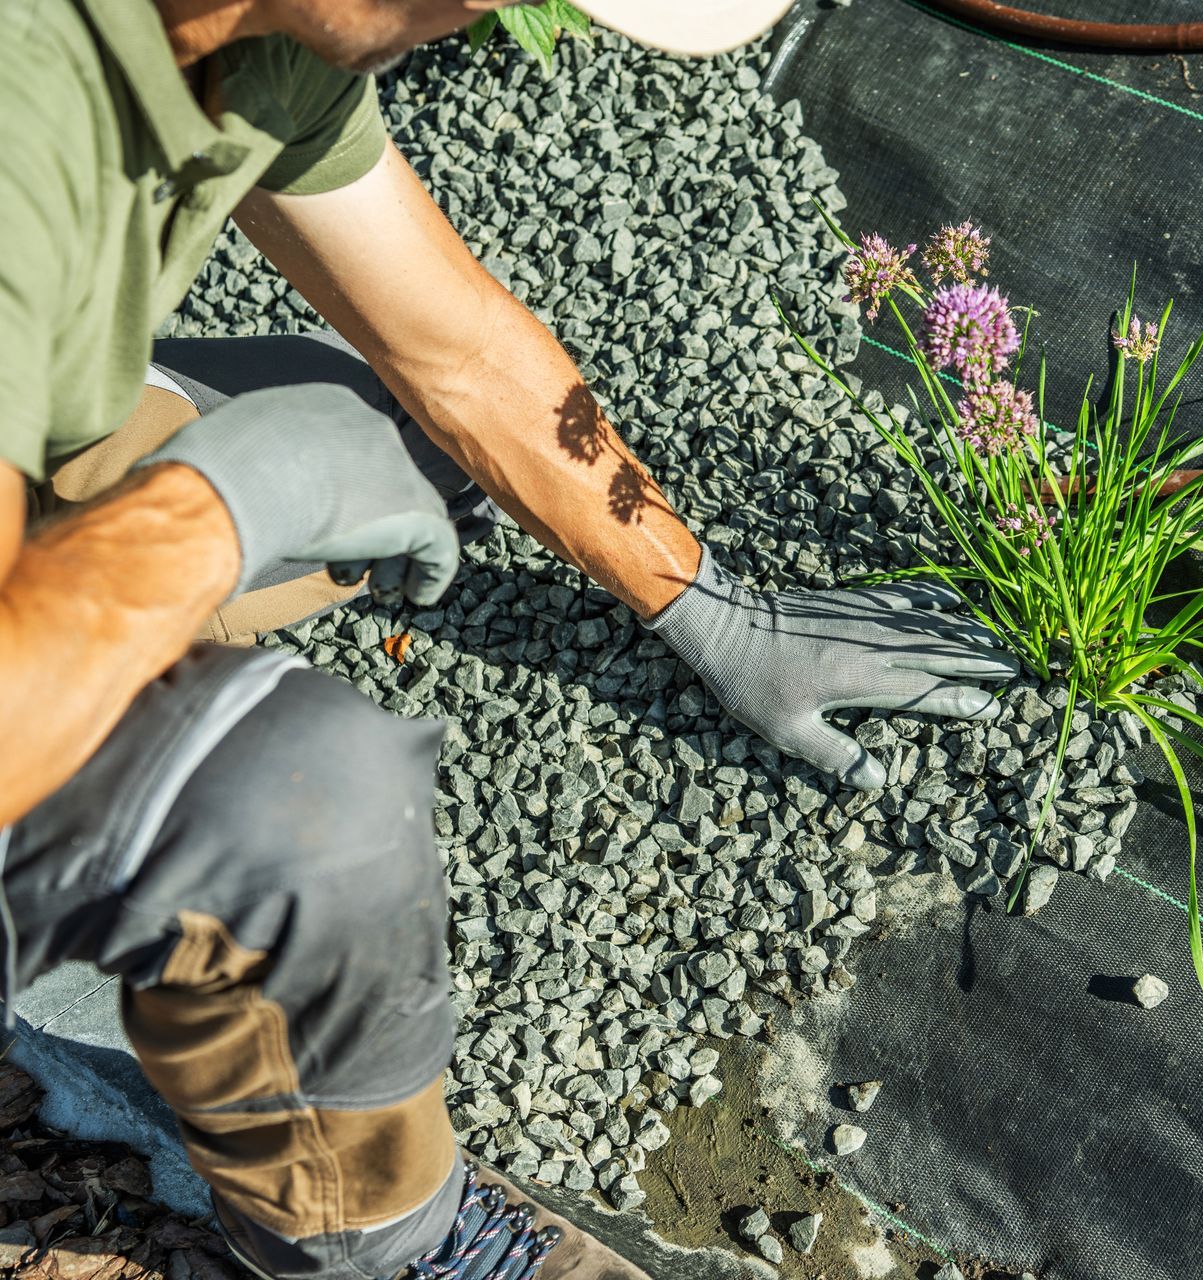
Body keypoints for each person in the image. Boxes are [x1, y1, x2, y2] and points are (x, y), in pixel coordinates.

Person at [0, 2, 1017, 1277]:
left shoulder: (255, 44)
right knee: (297, 806)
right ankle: (368, 1239)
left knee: (400, 431)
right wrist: (219, 509)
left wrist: (711, 604)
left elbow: (461, 355)